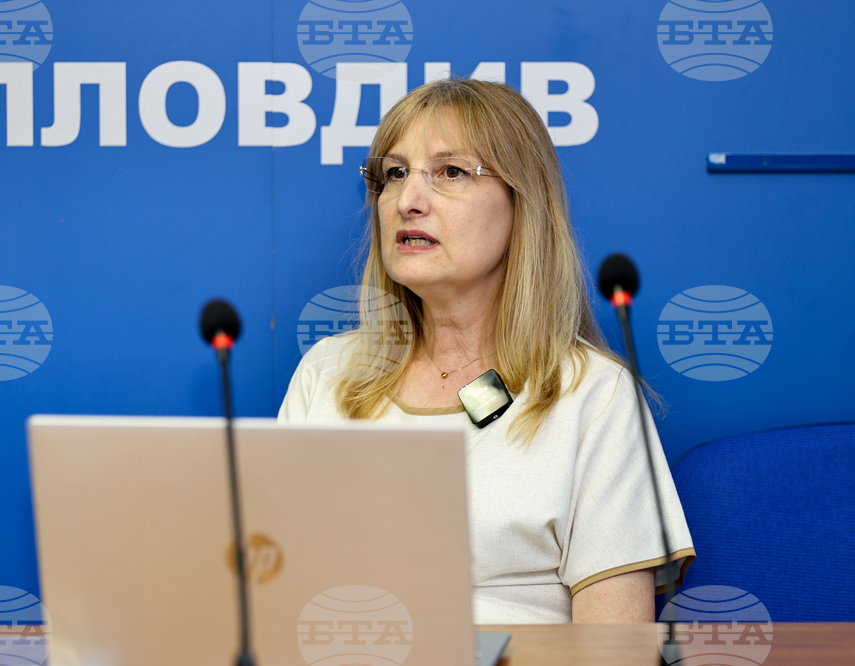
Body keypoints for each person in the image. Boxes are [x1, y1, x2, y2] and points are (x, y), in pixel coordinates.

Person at [278, 78, 694, 624]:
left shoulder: (591, 394)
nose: (408, 201)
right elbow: (271, 598)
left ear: (523, 203)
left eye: (451, 172)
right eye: (394, 174)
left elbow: (614, 651)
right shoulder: (327, 374)